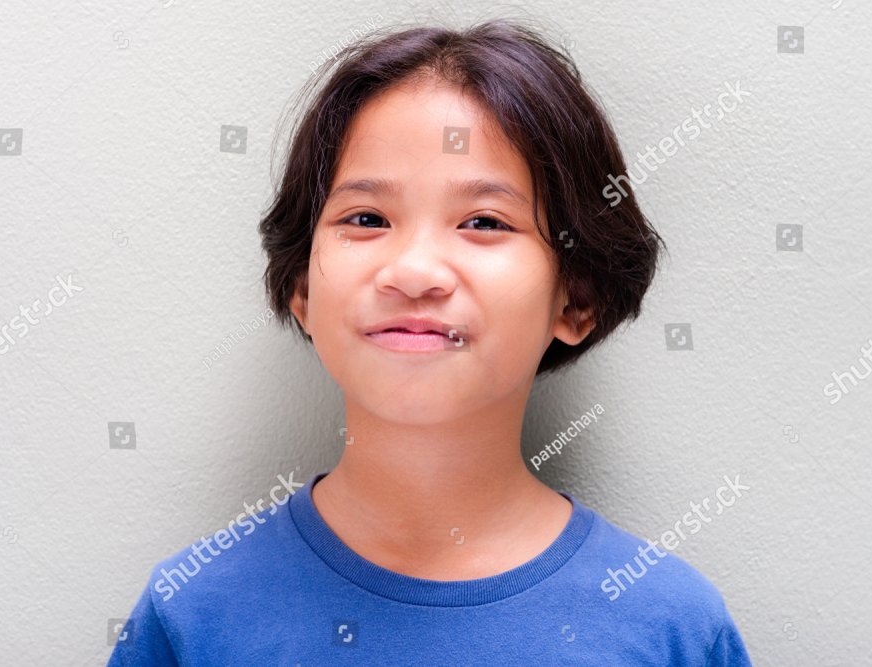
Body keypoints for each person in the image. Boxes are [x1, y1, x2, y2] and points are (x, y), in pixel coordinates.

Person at [109, 18, 752, 665]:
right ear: (303, 287)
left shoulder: (674, 628)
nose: (414, 271)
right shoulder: (192, 615)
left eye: (483, 221)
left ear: (576, 297)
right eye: (367, 218)